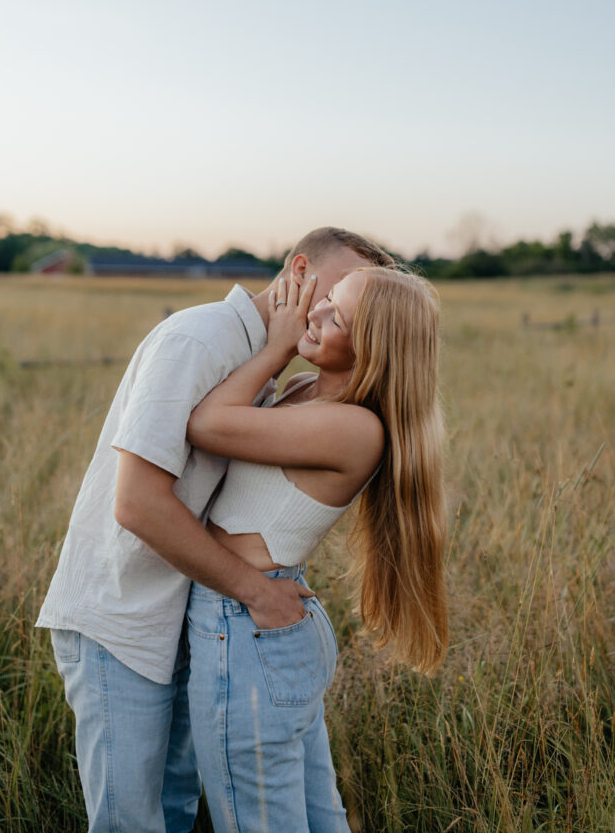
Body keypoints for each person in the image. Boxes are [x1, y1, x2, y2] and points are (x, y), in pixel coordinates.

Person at [36, 227, 394, 833]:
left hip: (189, 613)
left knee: (176, 810)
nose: (338, 315)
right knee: (131, 822)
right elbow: (138, 506)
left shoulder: (281, 366)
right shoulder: (199, 340)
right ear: (300, 270)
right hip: (122, 616)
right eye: (339, 293)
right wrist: (256, 591)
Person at [184, 266, 448, 833]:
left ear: (371, 347)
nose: (317, 312)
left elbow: (205, 423)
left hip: (246, 625)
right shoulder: (308, 392)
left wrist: (277, 348)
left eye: (338, 316)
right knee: (316, 818)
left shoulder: (351, 427)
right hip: (263, 623)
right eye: (326, 297)